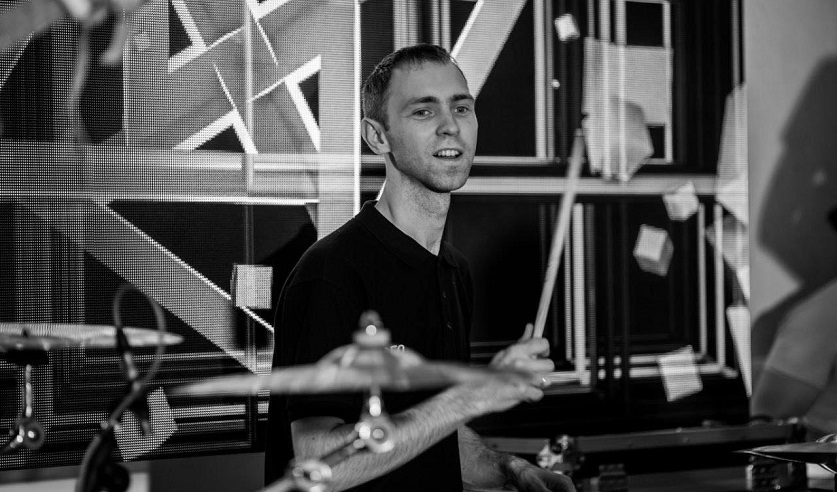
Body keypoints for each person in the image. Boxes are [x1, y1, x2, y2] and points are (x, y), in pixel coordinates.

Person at [265, 43, 574, 492]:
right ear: (378, 137)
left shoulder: (453, 272)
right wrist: (470, 397)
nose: (451, 126)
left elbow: (431, 433)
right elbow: (318, 461)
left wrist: (513, 470)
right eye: (424, 112)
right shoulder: (331, 273)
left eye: (461, 108)